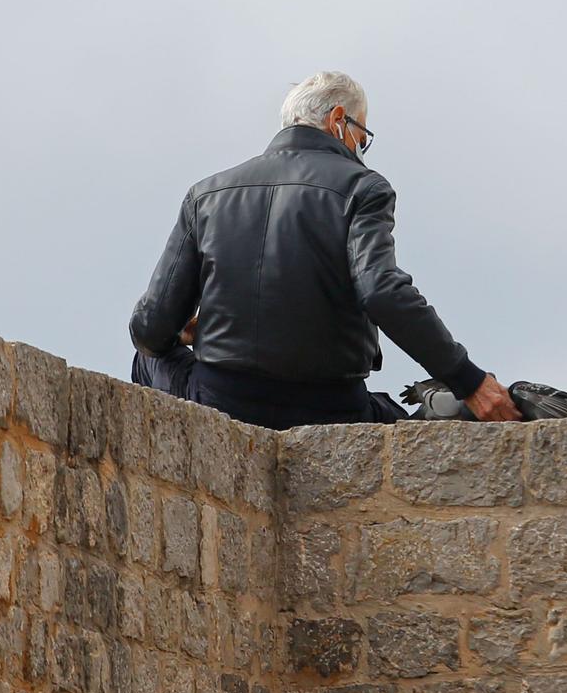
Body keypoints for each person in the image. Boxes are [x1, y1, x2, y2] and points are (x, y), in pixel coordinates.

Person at [129, 70, 518, 431]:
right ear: (338, 120)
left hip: (222, 400)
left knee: (148, 358)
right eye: (362, 139)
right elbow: (382, 292)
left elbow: (149, 329)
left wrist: (183, 333)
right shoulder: (363, 187)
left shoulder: (207, 194)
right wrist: (469, 380)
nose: (361, 151)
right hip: (330, 408)